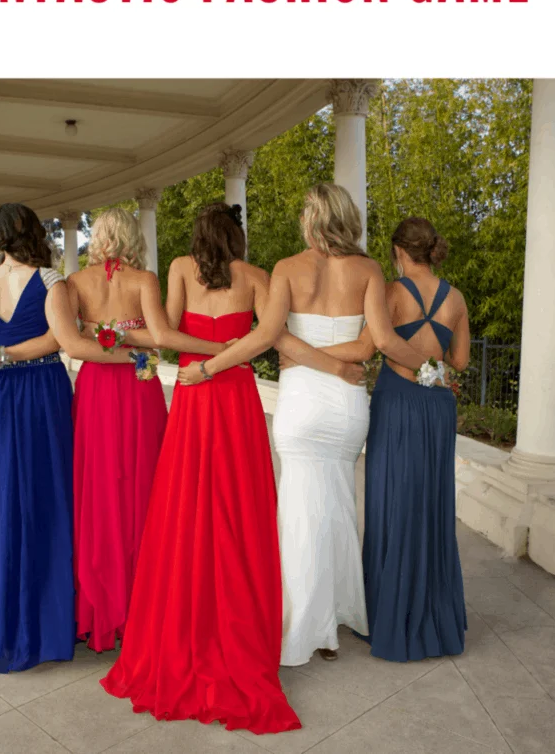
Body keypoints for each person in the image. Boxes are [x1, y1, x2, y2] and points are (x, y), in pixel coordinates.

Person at [180, 184, 432, 668]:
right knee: (338, 503)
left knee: (299, 510)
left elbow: (269, 338)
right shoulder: (369, 270)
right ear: (346, 218)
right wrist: (425, 368)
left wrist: (211, 367)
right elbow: (373, 345)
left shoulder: (287, 269)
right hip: (344, 406)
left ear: (310, 220)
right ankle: (336, 615)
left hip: (301, 404)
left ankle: (302, 625)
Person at [101, 202, 301, 735]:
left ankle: (186, 627)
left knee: (186, 509)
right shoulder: (259, 278)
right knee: (236, 510)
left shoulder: (180, 271)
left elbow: (163, 332)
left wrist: (120, 335)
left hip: (194, 392)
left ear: (197, 237)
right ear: (237, 235)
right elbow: (266, 339)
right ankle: (236, 631)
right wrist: (221, 357)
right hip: (233, 396)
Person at [0, 203, 143, 673]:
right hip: (39, 399)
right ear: (34, 234)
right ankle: (43, 623)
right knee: (45, 504)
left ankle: (3, 625)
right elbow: (67, 342)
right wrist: (137, 359)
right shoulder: (49, 282)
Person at [66, 207, 242, 653]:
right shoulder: (144, 280)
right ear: (132, 238)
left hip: (94, 388)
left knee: (98, 490)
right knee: (145, 488)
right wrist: (220, 349)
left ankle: (96, 610)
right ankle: (142, 605)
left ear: (98, 238)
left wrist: (103, 332)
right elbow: (161, 337)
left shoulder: (77, 283)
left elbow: (74, 340)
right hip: (138, 383)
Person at [359, 217, 470, 661]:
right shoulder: (456, 298)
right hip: (437, 408)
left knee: (392, 501)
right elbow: (459, 361)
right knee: (431, 504)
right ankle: (434, 616)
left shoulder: (389, 291)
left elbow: (370, 345)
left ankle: (390, 614)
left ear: (400, 253)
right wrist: (434, 363)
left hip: (398, 403)